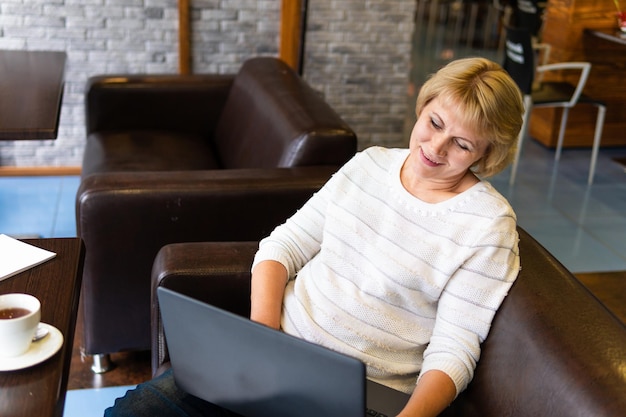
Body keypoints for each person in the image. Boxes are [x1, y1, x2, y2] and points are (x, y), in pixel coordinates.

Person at [105, 57, 524, 417]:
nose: (435, 146)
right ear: (423, 105)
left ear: (487, 155)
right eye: (433, 123)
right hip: (277, 351)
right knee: (133, 412)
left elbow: (455, 349)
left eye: (462, 145)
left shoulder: (487, 225)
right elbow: (281, 247)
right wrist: (261, 338)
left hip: (365, 393)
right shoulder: (369, 166)